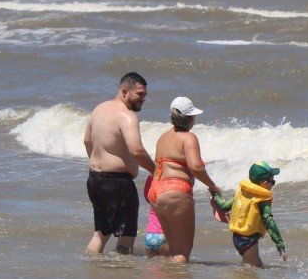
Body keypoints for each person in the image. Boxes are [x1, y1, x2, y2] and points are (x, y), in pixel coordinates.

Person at [83, 72, 155, 255]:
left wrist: (98, 163)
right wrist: (157, 171)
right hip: (118, 184)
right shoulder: (127, 116)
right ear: (124, 91)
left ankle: (93, 273)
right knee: (126, 236)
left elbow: (87, 141)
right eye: (139, 94)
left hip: (95, 179)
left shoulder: (98, 109)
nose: (143, 99)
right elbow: (136, 149)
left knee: (101, 233)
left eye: (145, 95)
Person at [148, 96, 222, 263]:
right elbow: (196, 167)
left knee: (173, 248)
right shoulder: (189, 137)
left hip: (155, 191)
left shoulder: (163, 137)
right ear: (190, 118)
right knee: (182, 252)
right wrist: (212, 186)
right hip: (175, 190)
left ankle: (160, 270)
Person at [211, 161, 286, 268]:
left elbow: (224, 206)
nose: (273, 185)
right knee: (254, 270)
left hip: (237, 238)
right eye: (272, 182)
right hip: (248, 240)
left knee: (251, 267)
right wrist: (280, 246)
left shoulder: (241, 191)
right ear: (264, 184)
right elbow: (269, 221)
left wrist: (215, 194)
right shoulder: (262, 200)